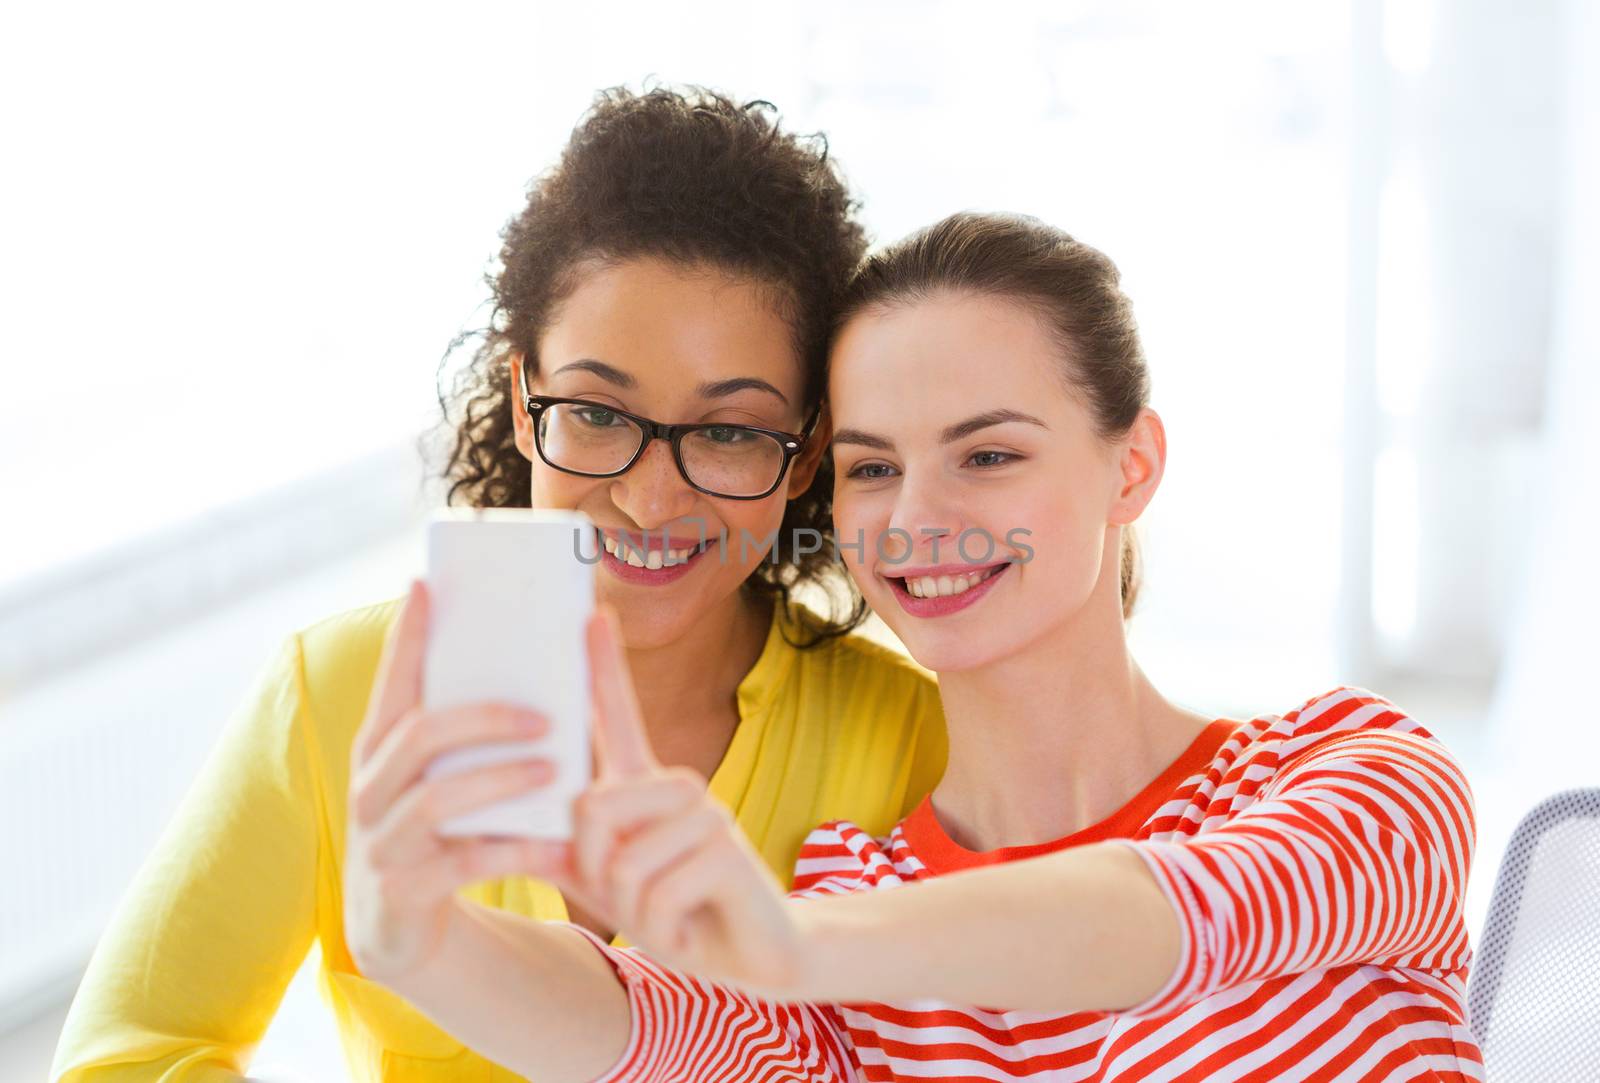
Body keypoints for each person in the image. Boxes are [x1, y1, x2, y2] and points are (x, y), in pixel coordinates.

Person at [347, 212, 1484, 1081]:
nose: (914, 517)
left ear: (1129, 465)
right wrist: (417, 943)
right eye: (873, 466)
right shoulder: (854, 890)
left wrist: (786, 943)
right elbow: (668, 1028)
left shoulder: (1356, 775)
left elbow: (1172, 914)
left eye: (987, 456)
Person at [50, 87, 947, 1083]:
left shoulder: (913, 740)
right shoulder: (341, 691)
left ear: (805, 447)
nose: (650, 499)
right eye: (598, 414)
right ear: (526, 405)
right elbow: (125, 1055)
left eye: (727, 432)